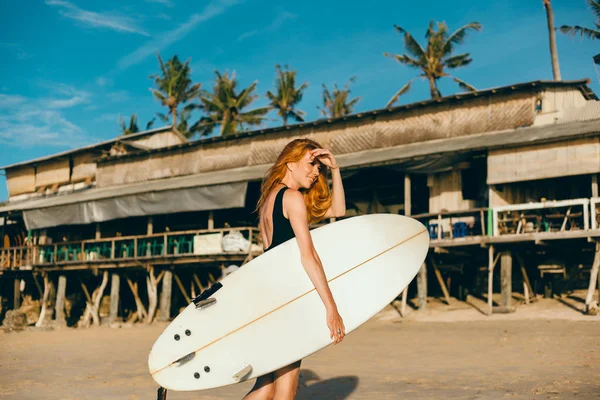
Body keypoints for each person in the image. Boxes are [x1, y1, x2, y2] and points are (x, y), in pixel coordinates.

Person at [243, 138, 347, 400]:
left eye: (319, 168)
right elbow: (309, 256)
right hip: (286, 301)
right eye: (311, 164)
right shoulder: (292, 198)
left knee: (265, 389)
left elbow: (339, 210)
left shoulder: (271, 199)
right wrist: (331, 307)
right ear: (290, 164)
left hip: (267, 300)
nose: (315, 172)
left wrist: (334, 169)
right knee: (286, 391)